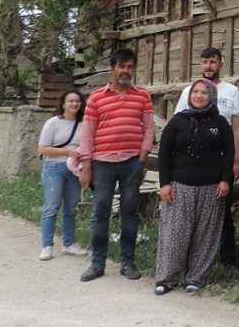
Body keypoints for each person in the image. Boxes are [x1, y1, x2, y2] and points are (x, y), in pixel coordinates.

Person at [78, 48, 155, 282]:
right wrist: (87, 165)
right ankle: (97, 263)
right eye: (121, 66)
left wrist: (142, 157)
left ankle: (127, 262)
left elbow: (149, 128)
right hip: (102, 163)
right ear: (113, 69)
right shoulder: (96, 97)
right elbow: (88, 133)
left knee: (129, 212)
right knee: (100, 211)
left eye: (130, 66)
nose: (126, 71)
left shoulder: (143, 96)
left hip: (132, 162)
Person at [154, 79, 234, 295]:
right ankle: (167, 278)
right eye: (195, 92)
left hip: (211, 187)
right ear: (189, 96)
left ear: (212, 96)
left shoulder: (220, 123)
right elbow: (164, 154)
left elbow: (229, 154)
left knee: (205, 235)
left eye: (204, 93)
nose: (199, 96)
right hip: (180, 186)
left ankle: (196, 278)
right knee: (175, 234)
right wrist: (164, 184)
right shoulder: (178, 121)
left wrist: (226, 180)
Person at [173, 47, 239, 270]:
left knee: (223, 213)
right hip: (191, 163)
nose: (208, 66)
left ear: (221, 64)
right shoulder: (190, 91)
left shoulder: (231, 91)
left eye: (213, 62)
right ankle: (189, 262)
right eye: (204, 62)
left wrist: (236, 161)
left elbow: (237, 128)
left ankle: (227, 261)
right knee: (190, 215)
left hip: (221, 162)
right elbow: (177, 126)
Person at [37, 89, 88, 261]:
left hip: (74, 169)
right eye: (71, 101)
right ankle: (47, 246)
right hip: (54, 168)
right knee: (51, 207)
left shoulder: (84, 124)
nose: (74, 104)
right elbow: (43, 149)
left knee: (71, 208)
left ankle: (68, 244)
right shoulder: (53, 123)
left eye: (77, 101)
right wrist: (67, 151)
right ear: (63, 104)